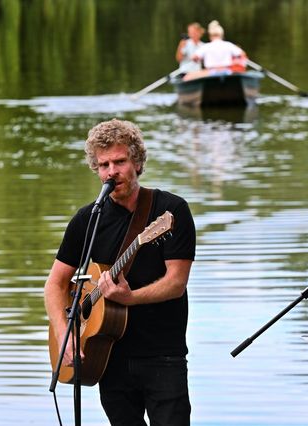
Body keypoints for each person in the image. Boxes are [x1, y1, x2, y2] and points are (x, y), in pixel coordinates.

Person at [44, 119, 196, 425]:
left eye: (120, 161)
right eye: (103, 165)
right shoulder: (88, 218)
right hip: (107, 355)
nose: (111, 172)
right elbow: (55, 284)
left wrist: (130, 298)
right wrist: (65, 336)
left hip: (162, 355)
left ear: (137, 163)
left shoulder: (171, 211)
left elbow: (176, 283)